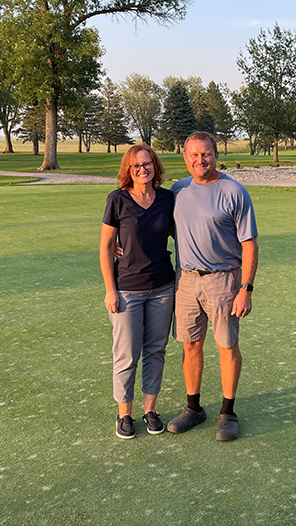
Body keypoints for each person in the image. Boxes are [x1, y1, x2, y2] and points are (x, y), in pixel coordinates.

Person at [166, 131, 258, 441]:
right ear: (185, 158)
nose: (200, 160)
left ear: (216, 155)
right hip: (186, 280)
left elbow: (249, 244)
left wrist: (246, 288)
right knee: (190, 345)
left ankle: (227, 411)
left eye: (206, 154)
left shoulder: (234, 191)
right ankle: (194, 408)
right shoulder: (177, 190)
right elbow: (152, 225)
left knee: (226, 345)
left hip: (224, 280)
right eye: (194, 155)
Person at [99, 143, 175, 439]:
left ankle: (150, 410)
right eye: (136, 166)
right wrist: (110, 289)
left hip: (162, 288)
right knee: (127, 354)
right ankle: (125, 415)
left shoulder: (168, 198)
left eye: (147, 164)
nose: (143, 169)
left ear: (155, 166)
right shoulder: (117, 200)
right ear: (128, 171)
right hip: (126, 289)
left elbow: (182, 232)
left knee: (155, 350)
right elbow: (106, 246)